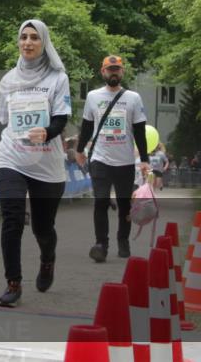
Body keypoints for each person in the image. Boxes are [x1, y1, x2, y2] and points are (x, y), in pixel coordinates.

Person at [0, 19, 71, 307]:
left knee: (42, 228)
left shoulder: (57, 78)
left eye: (34, 37)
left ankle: (47, 259)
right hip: (11, 156)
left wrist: (47, 132)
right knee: (12, 218)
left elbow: (62, 117)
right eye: (23, 37)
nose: (28, 42)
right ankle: (13, 283)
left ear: (44, 42)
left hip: (46, 162)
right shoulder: (8, 80)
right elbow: (2, 121)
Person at [76, 55, 150, 261]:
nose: (114, 73)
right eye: (110, 69)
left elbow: (139, 131)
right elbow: (87, 127)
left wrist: (144, 159)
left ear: (122, 72)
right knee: (101, 201)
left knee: (124, 205)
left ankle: (123, 240)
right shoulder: (92, 96)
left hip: (125, 161)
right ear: (103, 72)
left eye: (117, 69)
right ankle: (101, 243)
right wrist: (80, 150)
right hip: (100, 158)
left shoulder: (133, 98)